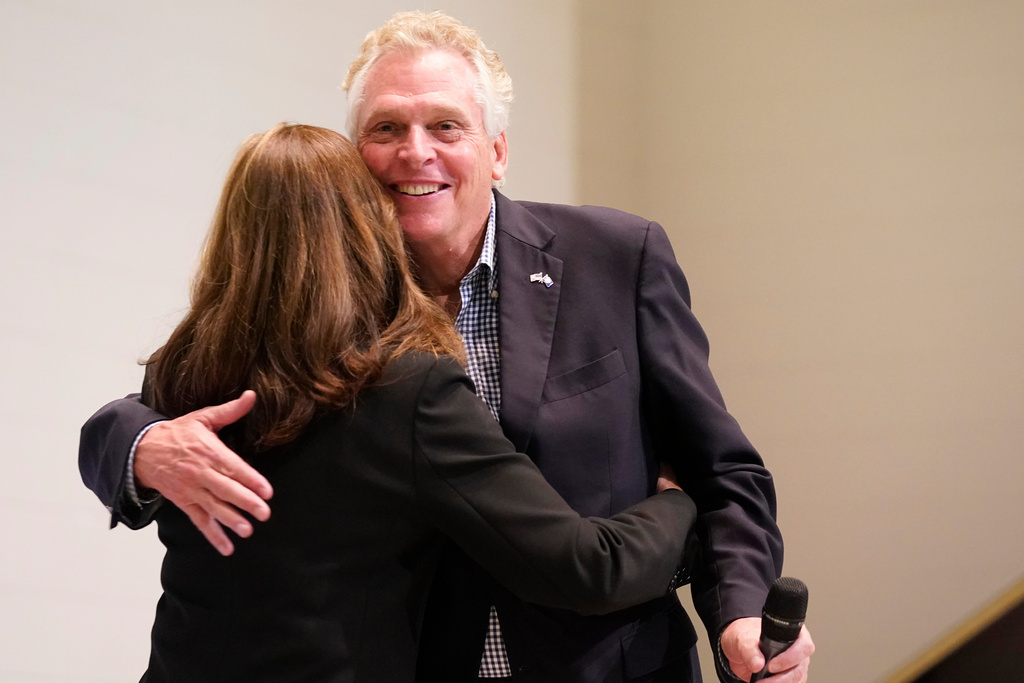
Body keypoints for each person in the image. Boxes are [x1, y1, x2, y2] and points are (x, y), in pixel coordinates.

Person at [79, 11, 815, 683]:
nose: (415, 153)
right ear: (352, 157)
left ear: (497, 151)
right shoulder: (325, 308)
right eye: (387, 130)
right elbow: (138, 412)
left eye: (446, 127)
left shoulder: (617, 258)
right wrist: (142, 445)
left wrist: (740, 611)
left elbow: (725, 470)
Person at [119, 121, 697, 682]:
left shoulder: (181, 370)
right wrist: (674, 504)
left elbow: (120, 432)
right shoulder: (401, 388)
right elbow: (587, 570)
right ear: (364, 225)